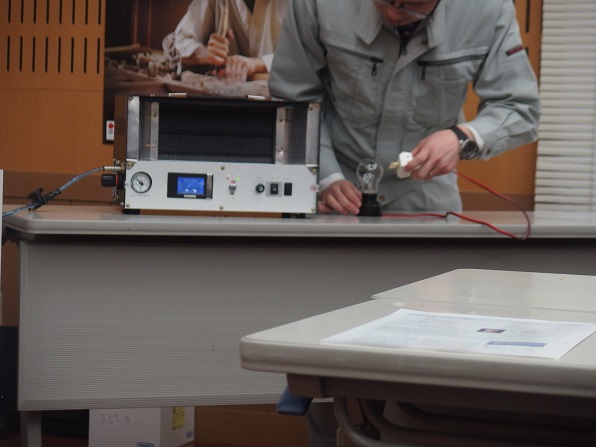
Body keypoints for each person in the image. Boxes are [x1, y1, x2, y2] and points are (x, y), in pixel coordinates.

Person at [269, 0, 541, 215]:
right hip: (330, 184)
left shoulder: (488, 9)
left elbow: (519, 107)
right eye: (385, 0)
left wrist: (463, 138)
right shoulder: (317, 4)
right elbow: (293, 97)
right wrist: (326, 177)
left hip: (424, 192)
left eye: (414, 4)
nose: (393, 14)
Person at [164, 0, 288, 83]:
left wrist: (257, 64)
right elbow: (175, 44)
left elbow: (298, 57)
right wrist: (206, 53)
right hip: (225, 100)